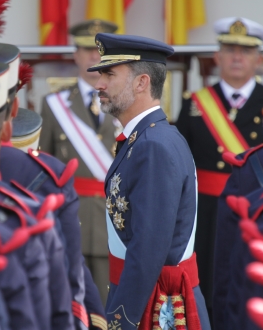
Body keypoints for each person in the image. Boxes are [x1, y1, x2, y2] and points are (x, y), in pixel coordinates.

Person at [86, 33, 210, 330]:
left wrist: (120, 320)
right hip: (146, 298)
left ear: (142, 82)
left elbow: (147, 249)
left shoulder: (153, 145)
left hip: (154, 309)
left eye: (109, 74)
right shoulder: (147, 138)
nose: (99, 84)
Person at [175, 17, 263, 318]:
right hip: (206, 214)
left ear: (259, 57)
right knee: (209, 282)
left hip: (259, 211)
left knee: (252, 284)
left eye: (246, 50)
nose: (237, 57)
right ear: (217, 56)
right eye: (229, 49)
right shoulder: (194, 104)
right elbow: (180, 165)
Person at [39, 19, 118, 303]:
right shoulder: (54, 105)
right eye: (86, 49)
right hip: (72, 218)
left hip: (116, 219)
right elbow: (44, 167)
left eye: (100, 50)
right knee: (75, 301)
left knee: (113, 305)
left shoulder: (127, 102)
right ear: (75, 54)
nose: (94, 56)